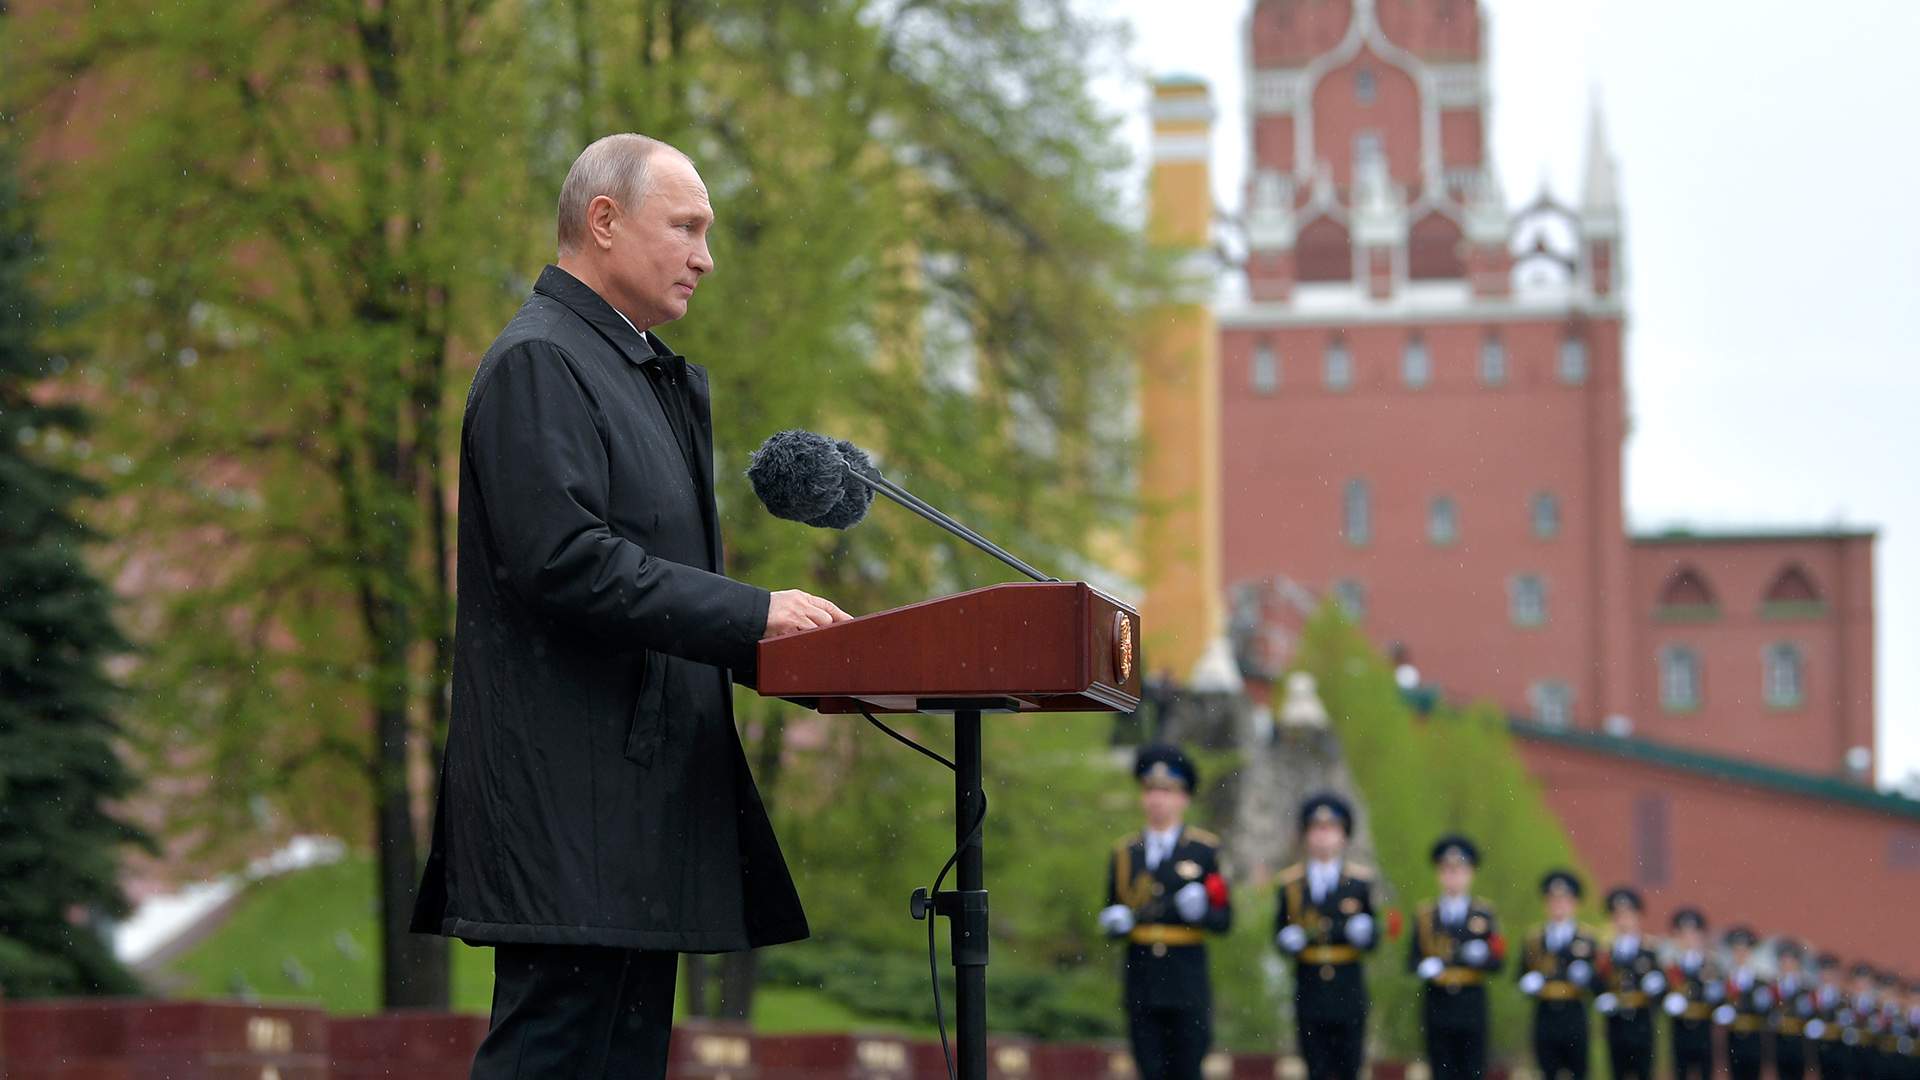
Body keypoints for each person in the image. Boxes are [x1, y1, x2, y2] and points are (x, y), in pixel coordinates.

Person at [410, 133, 854, 1080]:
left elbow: (653, 580)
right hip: (570, 806)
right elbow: (563, 563)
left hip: (638, 806)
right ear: (603, 223)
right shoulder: (541, 362)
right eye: (686, 227)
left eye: (709, 232)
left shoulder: (637, 373)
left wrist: (791, 654)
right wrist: (749, 615)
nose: (706, 254)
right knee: (557, 1054)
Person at [1099, 745, 1234, 1080]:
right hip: (1142, 978)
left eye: (1167, 791)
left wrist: (1202, 910)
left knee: (1187, 1069)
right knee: (1149, 1068)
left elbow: (1224, 920)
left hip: (1186, 980)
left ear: (1183, 798)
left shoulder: (1205, 851)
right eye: (1150, 790)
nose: (1157, 800)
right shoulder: (1125, 853)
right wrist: (1114, 922)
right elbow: (1112, 910)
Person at [1274, 793, 1377, 1080]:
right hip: (1309, 986)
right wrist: (1287, 938)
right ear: (1306, 835)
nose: (1323, 837)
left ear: (1344, 836)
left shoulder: (1359, 883)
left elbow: (1374, 940)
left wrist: (1365, 932)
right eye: (1317, 829)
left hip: (1348, 987)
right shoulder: (1291, 885)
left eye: (1331, 829)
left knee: (1349, 1066)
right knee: (1315, 1065)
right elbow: (1278, 933)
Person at [1407, 835, 1503, 1080]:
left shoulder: (1485, 913)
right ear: (1439, 874)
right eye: (1448, 870)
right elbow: (1412, 959)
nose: (1453, 876)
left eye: (1459, 870)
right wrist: (1423, 965)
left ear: (1470, 874)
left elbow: (1498, 961)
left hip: (1471, 1001)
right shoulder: (1425, 914)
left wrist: (1482, 957)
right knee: (1441, 1069)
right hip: (1437, 1001)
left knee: (1472, 1069)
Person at [1516, 870, 1598, 1080]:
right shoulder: (1534, 939)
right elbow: (1521, 974)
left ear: (1574, 903)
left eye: (1564, 900)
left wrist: (1588, 977)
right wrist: (1528, 982)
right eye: (1553, 900)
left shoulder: (1587, 939)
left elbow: (1599, 981)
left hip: (1574, 1012)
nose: (1558, 905)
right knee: (1547, 1070)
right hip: (1545, 1012)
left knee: (1578, 1071)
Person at [1594, 887, 1665, 1080]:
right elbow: (1597, 982)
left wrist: (1658, 986)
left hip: (1642, 1020)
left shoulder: (1650, 949)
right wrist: (1601, 996)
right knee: (1617, 1072)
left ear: (1637, 917)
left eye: (1627, 915)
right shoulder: (1606, 951)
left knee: (1644, 1072)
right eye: (1618, 916)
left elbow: (1664, 987)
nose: (1623, 920)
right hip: (1615, 1023)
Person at [1663, 907, 1720, 1080]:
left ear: (1701, 936)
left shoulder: (1711, 965)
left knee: (1705, 1072)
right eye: (1683, 934)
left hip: (1703, 1029)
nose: (1689, 938)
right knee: (1680, 1071)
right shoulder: (1671, 965)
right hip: (1679, 1029)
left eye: (1693, 933)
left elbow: (1720, 998)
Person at [1718, 926, 1771, 1080]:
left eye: (1744, 950)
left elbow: (1766, 1009)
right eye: (1737, 950)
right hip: (1733, 1036)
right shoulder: (1726, 978)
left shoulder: (1760, 980)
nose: (1740, 954)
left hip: (1754, 1036)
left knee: (1753, 1073)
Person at [1772, 940, 1816, 1080]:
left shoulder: (1806, 988)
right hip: (1779, 1039)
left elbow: (1812, 1013)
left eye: (1791, 961)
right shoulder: (1774, 986)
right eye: (1784, 962)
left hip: (1799, 1041)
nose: (1787, 966)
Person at [1809, 952, 1851, 1080]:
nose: (1826, 975)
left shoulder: (1843, 996)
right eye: (1824, 971)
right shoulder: (1813, 994)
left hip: (1839, 1046)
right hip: (1819, 1047)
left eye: (1830, 971)